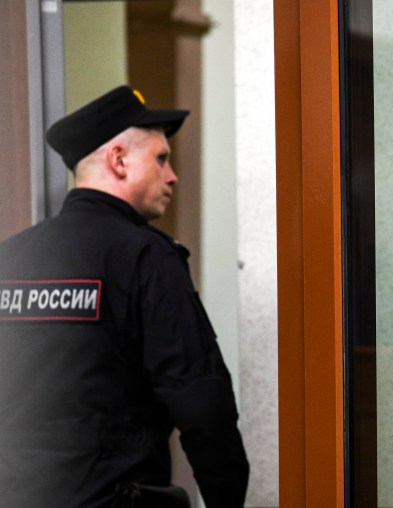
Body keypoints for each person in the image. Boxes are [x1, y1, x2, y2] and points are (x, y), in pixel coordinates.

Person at [0, 86, 249, 507]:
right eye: (161, 158)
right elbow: (201, 403)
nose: (171, 177)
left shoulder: (11, 258)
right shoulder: (146, 257)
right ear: (118, 160)